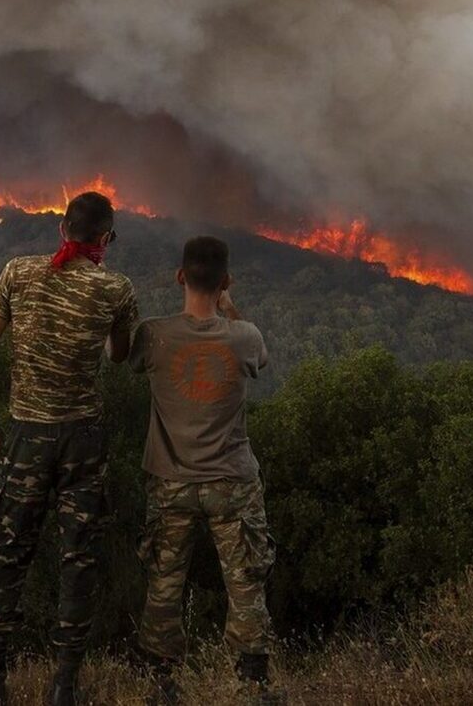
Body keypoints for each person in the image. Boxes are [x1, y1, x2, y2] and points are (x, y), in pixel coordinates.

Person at [0, 191, 139, 706]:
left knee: (8, 552)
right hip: (82, 439)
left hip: (27, 435)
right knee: (77, 558)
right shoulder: (116, 289)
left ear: (63, 230)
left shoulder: (18, 273)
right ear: (104, 239)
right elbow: (119, 355)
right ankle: (65, 686)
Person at [129, 236, 281, 705]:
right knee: (244, 580)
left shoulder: (152, 335)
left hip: (170, 482)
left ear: (180, 276)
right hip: (231, 483)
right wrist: (229, 309)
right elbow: (261, 359)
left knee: (164, 580)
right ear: (225, 282)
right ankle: (252, 686)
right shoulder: (244, 336)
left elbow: (126, 359)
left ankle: (160, 683)